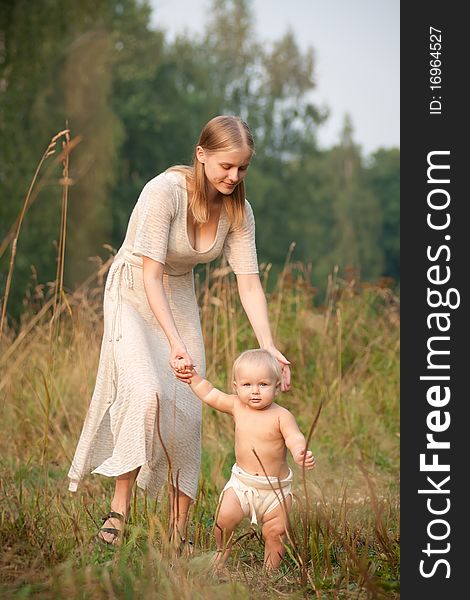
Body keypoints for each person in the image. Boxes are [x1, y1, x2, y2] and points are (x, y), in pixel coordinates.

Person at [67, 115, 291, 546]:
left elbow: (248, 280)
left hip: (179, 295)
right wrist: (174, 343)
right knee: (147, 390)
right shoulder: (163, 192)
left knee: (186, 405)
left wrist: (269, 347)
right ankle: (118, 512)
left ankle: (178, 530)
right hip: (134, 291)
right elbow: (151, 275)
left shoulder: (239, 211)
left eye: (242, 168)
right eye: (226, 166)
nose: (234, 176)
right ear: (201, 154)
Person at [175, 348, 315, 571]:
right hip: (242, 484)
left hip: (275, 491)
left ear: (277, 387)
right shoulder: (237, 406)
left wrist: (300, 451)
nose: (255, 391)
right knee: (223, 519)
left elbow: (294, 437)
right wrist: (193, 378)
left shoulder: (282, 416)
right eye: (247, 385)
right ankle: (222, 550)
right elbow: (211, 394)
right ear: (236, 387)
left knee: (275, 533)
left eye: (263, 384)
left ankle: (269, 572)